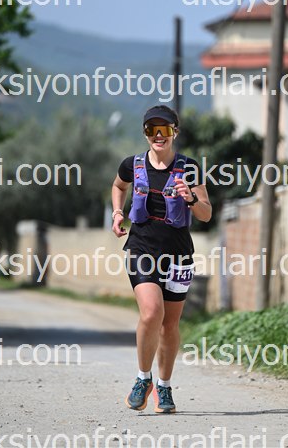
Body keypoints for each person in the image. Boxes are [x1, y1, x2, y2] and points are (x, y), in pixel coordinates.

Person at [111, 105, 211, 414]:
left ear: (174, 133)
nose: (158, 135)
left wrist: (191, 198)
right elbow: (118, 185)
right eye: (151, 129)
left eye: (165, 129)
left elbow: (206, 213)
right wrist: (117, 212)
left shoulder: (190, 168)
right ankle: (143, 379)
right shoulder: (132, 165)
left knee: (169, 326)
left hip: (178, 254)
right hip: (141, 249)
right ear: (145, 133)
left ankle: (164, 386)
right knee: (151, 313)